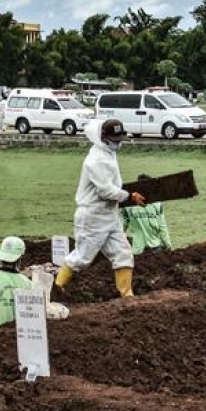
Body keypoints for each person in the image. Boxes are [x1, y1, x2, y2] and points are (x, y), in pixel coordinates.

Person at [54, 119, 146, 298]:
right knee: (82, 258)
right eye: (114, 139)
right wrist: (129, 196)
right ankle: (57, 289)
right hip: (93, 216)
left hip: (110, 214)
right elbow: (104, 191)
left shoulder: (108, 153)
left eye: (119, 139)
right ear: (103, 138)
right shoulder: (95, 160)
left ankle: (127, 296)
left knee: (123, 254)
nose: (117, 143)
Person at [121, 174, 172, 255]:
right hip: (156, 248)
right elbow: (162, 226)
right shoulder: (157, 204)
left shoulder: (128, 205)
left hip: (137, 250)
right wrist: (168, 245)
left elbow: (122, 226)